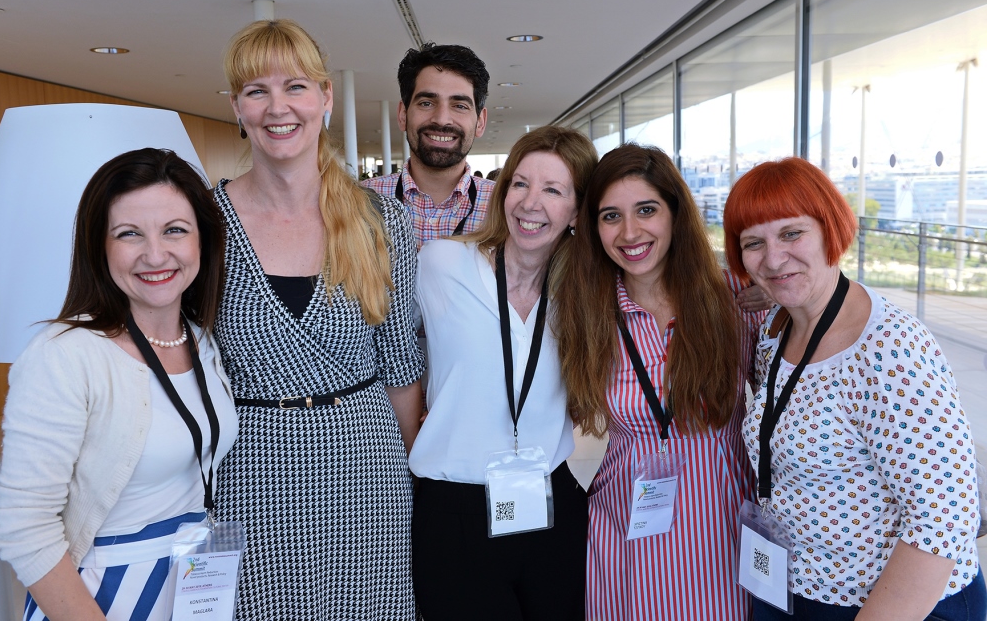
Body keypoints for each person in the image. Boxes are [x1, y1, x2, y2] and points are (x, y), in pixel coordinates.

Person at [214, 19, 425, 620]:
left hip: (368, 473)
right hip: (248, 477)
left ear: (326, 98)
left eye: (295, 87)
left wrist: (416, 482)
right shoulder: (205, 223)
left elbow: (400, 366)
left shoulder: (380, 221)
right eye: (256, 91)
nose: (277, 107)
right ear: (237, 108)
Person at [723, 157, 985, 621]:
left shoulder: (890, 349)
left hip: (891, 604)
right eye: (753, 243)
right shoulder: (776, 329)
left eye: (791, 233)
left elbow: (943, 519)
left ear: (831, 230)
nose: (774, 258)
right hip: (795, 586)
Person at [0, 148, 237, 621]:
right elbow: (24, 526)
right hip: (99, 596)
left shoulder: (202, 339)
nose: (155, 254)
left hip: (188, 587)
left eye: (175, 230)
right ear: (99, 248)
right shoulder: (65, 354)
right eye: (129, 234)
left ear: (202, 241)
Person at [553, 144, 765, 620]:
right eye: (611, 216)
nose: (630, 232)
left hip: (724, 530)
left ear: (675, 213)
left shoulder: (733, 298)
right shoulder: (586, 312)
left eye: (646, 210)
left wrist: (780, 297)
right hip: (628, 537)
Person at [409, 126, 596, 621]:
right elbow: (386, 350)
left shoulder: (584, 293)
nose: (530, 203)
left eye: (553, 190)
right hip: (455, 512)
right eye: (520, 183)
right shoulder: (441, 263)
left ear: (577, 211)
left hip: (551, 502)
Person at [364, 43, 495, 247]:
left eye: (460, 106)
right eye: (426, 103)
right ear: (403, 115)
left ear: (480, 122)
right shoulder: (360, 202)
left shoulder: (505, 206)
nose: (442, 119)